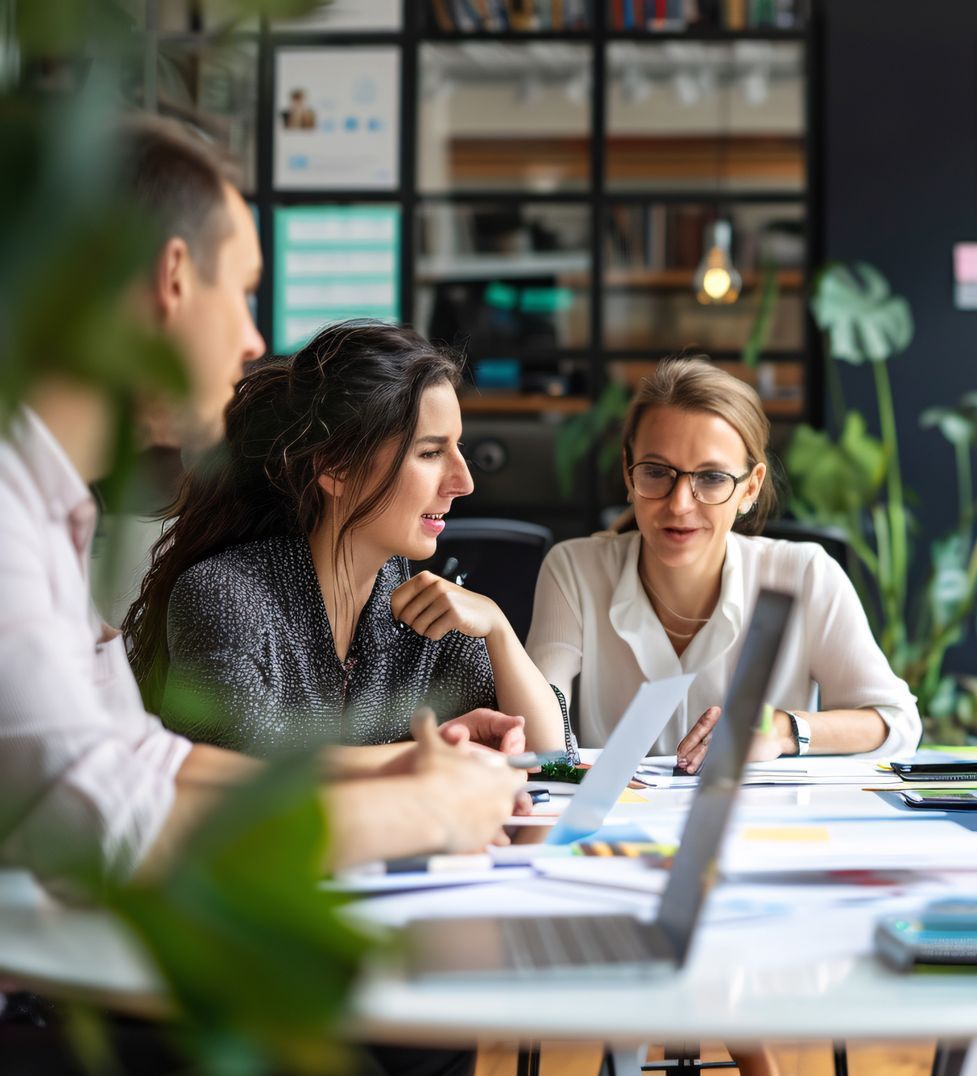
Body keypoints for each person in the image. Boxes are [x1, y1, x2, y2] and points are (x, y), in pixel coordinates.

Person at [0, 118, 526, 890]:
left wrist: (395, 774)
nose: (254, 342)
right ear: (173, 279)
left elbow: (141, 760)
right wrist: (427, 811)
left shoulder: (44, 510)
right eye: (244, 292)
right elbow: (96, 818)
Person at [123, 319, 567, 759]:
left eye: (459, 449)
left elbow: (552, 756)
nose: (463, 481)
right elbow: (240, 777)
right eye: (431, 453)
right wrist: (416, 759)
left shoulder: (419, 611)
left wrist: (498, 628)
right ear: (336, 468)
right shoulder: (226, 594)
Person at [528, 357, 919, 769]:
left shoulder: (804, 575)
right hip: (614, 826)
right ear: (629, 473)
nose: (679, 505)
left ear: (750, 488)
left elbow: (896, 722)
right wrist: (500, 632)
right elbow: (538, 740)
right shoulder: (574, 571)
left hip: (760, 829)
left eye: (712, 477)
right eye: (656, 472)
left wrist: (783, 730)